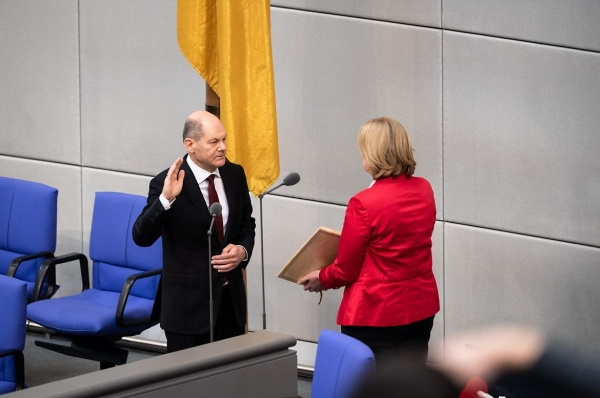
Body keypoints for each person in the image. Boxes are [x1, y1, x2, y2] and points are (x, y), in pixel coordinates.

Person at [298, 116, 439, 365]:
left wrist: (321, 277)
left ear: (373, 154)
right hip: (419, 309)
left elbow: (345, 270)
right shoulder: (424, 189)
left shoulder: (363, 203)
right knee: (410, 387)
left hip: (376, 315)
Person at [133, 110, 255, 353]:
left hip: (230, 302)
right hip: (186, 308)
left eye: (224, 139)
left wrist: (242, 250)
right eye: (214, 142)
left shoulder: (234, 174)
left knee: (229, 382)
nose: (223, 147)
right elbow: (142, 237)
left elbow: (246, 224)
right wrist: (165, 200)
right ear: (190, 145)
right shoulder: (166, 182)